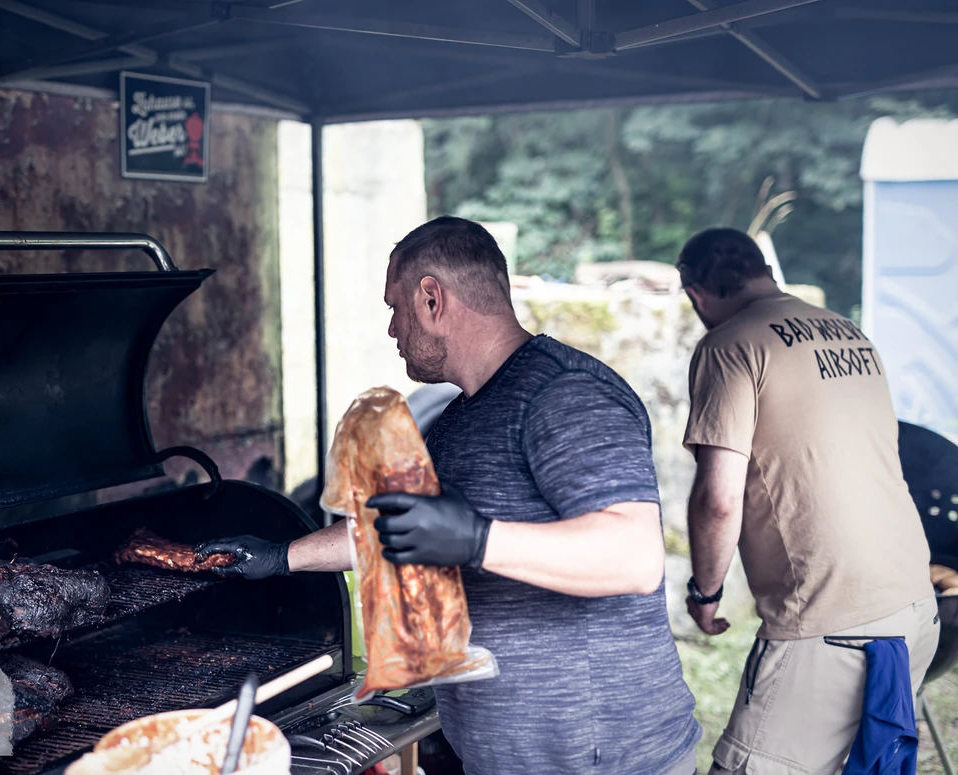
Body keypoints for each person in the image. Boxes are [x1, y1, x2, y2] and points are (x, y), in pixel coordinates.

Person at [199, 216, 702, 775]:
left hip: (605, 761)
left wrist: (475, 539)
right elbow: (406, 527)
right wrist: (282, 556)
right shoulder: (458, 419)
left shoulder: (565, 395)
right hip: (502, 755)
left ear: (432, 299)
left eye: (395, 307)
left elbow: (634, 557)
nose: (392, 328)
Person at [675, 227, 939, 774]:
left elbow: (718, 497)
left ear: (696, 294)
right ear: (765, 272)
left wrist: (706, 591)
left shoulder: (730, 345)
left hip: (831, 620)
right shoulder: (850, 332)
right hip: (914, 603)